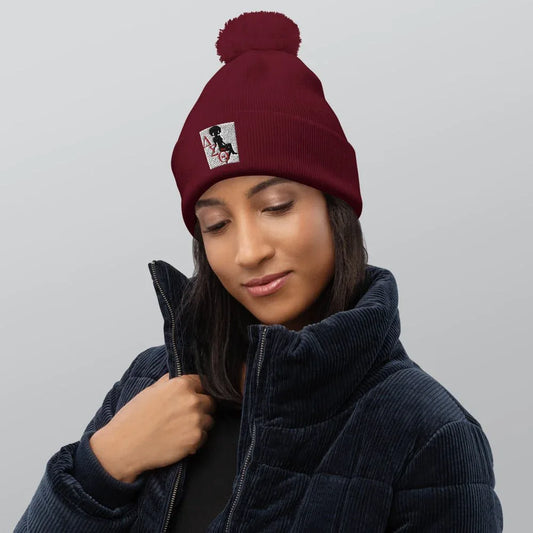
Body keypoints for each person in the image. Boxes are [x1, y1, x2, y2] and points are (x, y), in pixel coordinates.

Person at [15, 11, 503, 533]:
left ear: (335, 210)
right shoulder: (150, 382)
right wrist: (103, 468)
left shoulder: (429, 432)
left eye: (276, 207)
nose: (248, 252)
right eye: (217, 225)